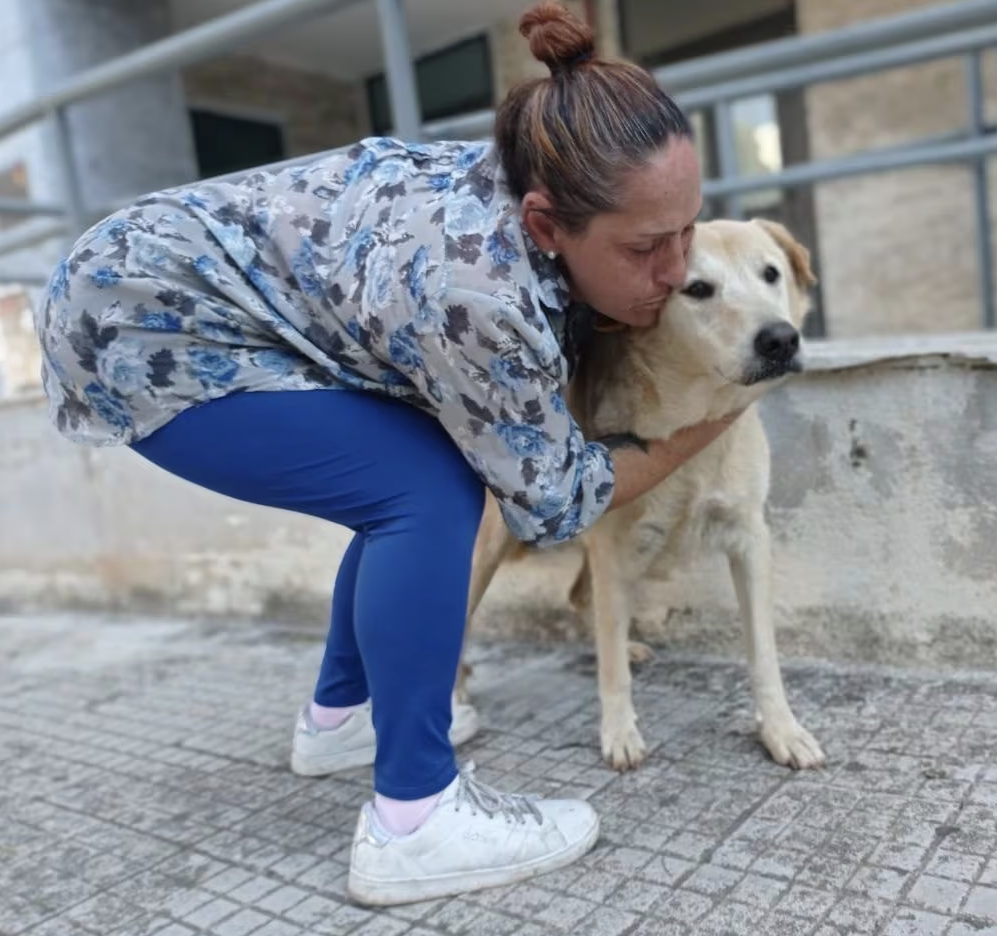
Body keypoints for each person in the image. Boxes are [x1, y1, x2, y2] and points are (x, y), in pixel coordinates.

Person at [33, 0, 743, 908]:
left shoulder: (529, 197)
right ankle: (415, 817)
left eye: (688, 228)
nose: (679, 268)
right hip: (140, 319)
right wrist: (716, 412)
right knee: (425, 488)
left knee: (399, 478)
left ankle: (341, 716)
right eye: (647, 246)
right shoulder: (477, 296)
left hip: (157, 279)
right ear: (542, 224)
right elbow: (560, 502)